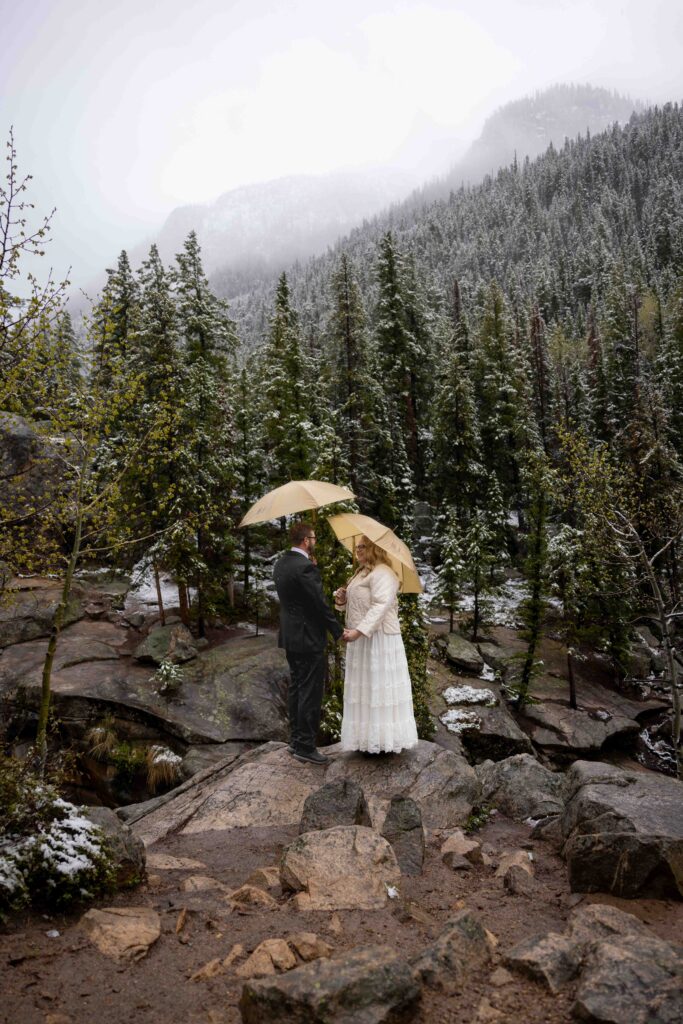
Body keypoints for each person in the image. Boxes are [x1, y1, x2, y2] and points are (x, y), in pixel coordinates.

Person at [335, 536, 419, 753]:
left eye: (362, 547)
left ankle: (384, 741)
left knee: (378, 686)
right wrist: (342, 599)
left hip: (379, 639)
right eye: (357, 547)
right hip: (362, 638)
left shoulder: (384, 573)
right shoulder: (362, 573)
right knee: (365, 689)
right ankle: (366, 740)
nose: (358, 550)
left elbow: (380, 606)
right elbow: (358, 605)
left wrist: (359, 631)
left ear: (373, 549)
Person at [273, 521, 344, 765]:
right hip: (308, 637)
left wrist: (312, 571)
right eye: (313, 538)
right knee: (311, 691)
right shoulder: (305, 568)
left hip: (290, 636)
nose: (315, 542)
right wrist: (337, 630)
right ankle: (305, 746)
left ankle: (295, 741)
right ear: (306, 541)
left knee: (297, 686)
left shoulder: (281, 563)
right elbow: (319, 604)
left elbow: (296, 597)